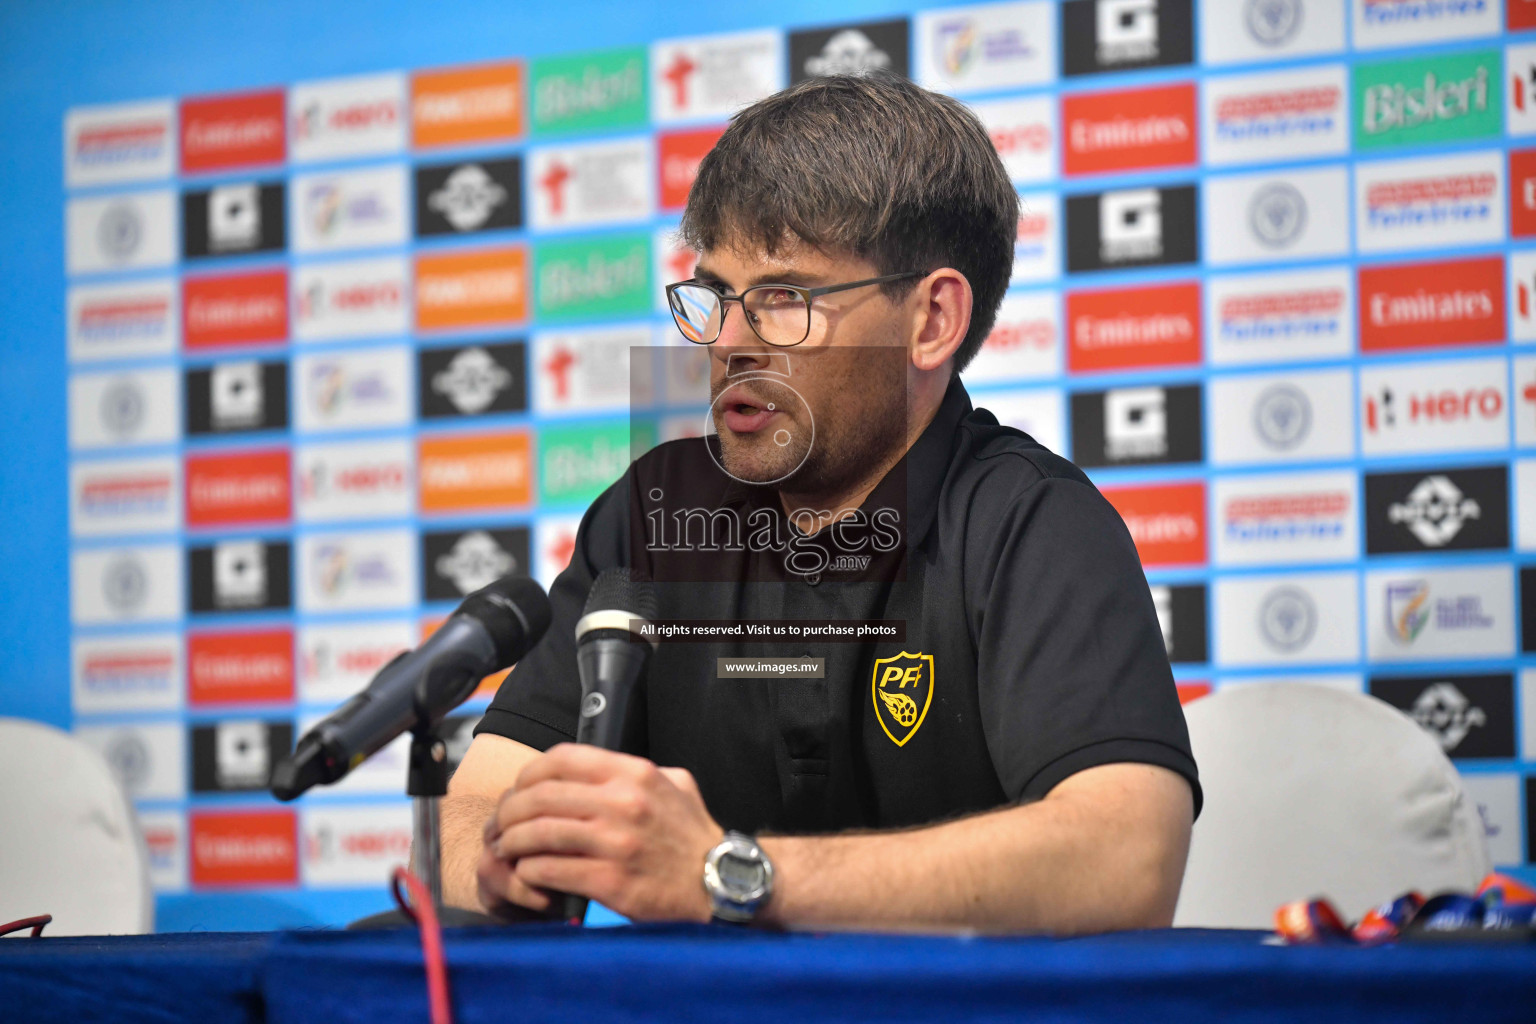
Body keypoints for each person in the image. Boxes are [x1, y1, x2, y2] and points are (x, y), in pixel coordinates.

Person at [441, 71, 1199, 934]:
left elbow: (1127, 857)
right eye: (718, 297)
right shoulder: (655, 513)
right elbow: (473, 807)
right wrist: (506, 864)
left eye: (784, 299)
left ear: (931, 321)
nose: (726, 343)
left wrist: (726, 875)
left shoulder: (1034, 522)